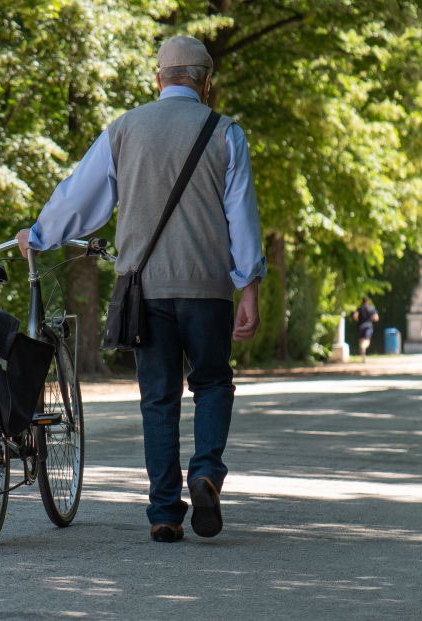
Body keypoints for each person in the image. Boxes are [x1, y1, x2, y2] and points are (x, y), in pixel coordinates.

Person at [15, 36, 265, 543]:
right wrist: (250, 289)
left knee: (159, 398)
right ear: (206, 83)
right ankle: (206, 473)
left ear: (158, 78)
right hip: (209, 289)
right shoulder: (225, 132)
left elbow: (80, 196)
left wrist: (38, 235)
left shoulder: (124, 129)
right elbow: (242, 218)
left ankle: (165, 513)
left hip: (144, 293)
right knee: (213, 383)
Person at [352, 297, 379, 362]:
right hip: (368, 326)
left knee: (361, 340)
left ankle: (363, 357)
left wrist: (358, 320)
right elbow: (376, 318)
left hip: (360, 326)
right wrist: (372, 319)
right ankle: (363, 347)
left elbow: (355, 316)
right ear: (368, 301)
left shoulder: (359, 308)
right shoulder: (371, 308)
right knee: (367, 340)